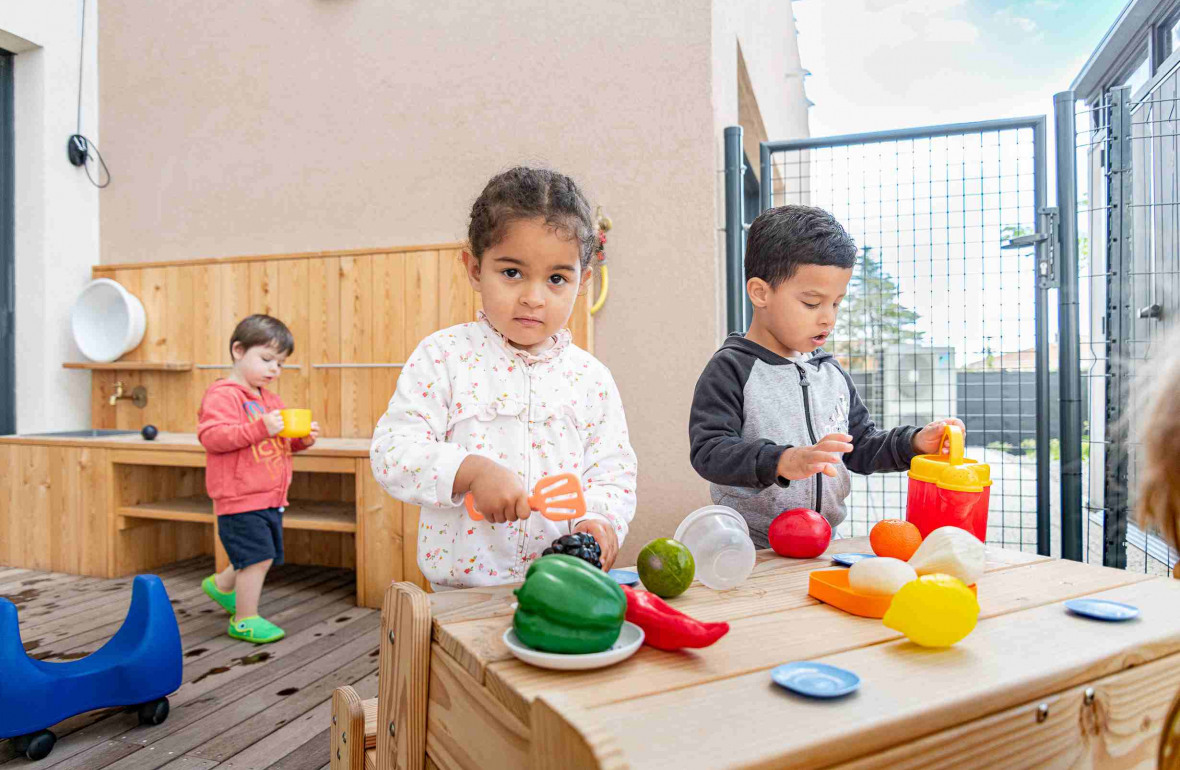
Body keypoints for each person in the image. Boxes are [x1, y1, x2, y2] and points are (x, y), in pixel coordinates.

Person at [370, 167, 637, 589]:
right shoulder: (445, 357)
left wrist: (600, 521)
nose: (533, 297)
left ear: (583, 281)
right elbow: (392, 453)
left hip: (562, 587)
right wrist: (469, 470)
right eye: (512, 273)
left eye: (556, 279)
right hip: (459, 594)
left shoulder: (591, 379)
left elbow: (612, 472)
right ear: (475, 269)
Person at [689, 204, 963, 547]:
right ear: (760, 292)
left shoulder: (830, 373)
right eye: (811, 302)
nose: (828, 319)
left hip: (826, 542)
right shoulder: (731, 369)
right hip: (754, 548)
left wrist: (913, 442)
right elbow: (709, 451)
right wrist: (782, 461)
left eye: (836, 303)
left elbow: (860, 446)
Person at [199, 314, 319, 643]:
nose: (273, 370)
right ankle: (244, 618)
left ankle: (223, 586)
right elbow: (213, 437)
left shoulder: (271, 400)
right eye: (266, 359)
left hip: (269, 495)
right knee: (258, 557)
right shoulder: (223, 395)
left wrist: (302, 439)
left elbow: (281, 444)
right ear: (238, 350)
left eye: (279, 364)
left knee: (260, 553)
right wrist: (260, 427)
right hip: (238, 496)